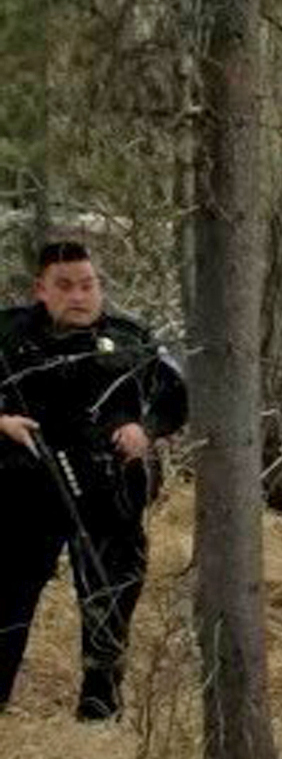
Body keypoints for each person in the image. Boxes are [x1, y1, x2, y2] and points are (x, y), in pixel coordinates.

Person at [0, 241, 187, 719]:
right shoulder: (8, 334)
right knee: (8, 597)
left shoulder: (129, 338)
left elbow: (174, 396)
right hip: (22, 490)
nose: (79, 296)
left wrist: (144, 429)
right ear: (41, 289)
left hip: (108, 492)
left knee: (109, 595)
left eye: (88, 285)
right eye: (65, 286)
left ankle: (98, 709)